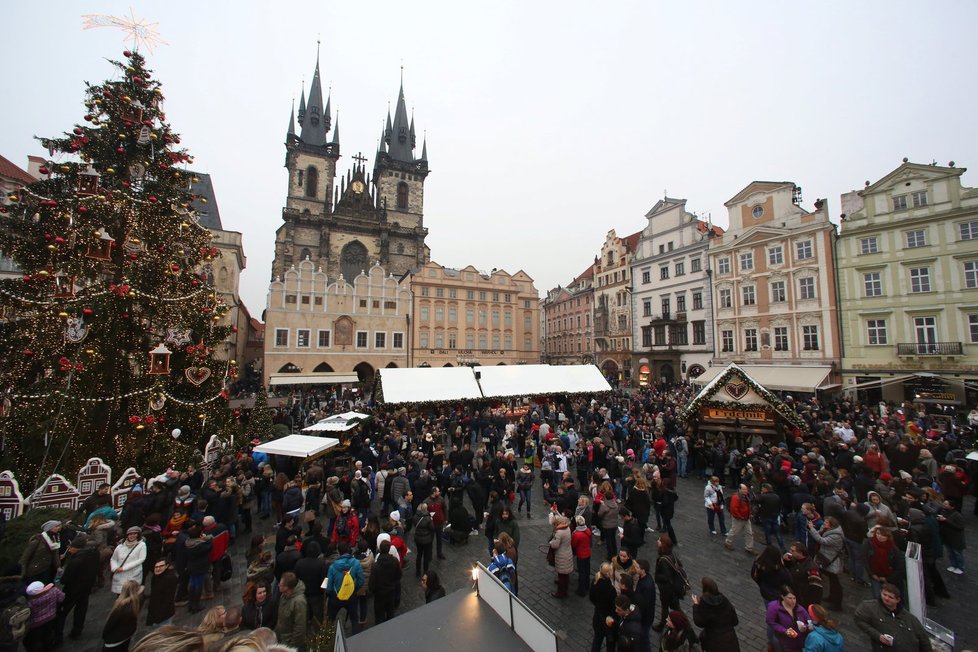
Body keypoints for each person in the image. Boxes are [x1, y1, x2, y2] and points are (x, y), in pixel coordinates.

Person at [854, 583, 931, 651]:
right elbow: (859, 619)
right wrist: (878, 636)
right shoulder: (870, 607)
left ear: (897, 600)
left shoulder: (911, 619)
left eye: (890, 597)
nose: (886, 598)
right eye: (884, 595)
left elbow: (924, 641)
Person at [57, 533, 98, 641]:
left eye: (71, 547)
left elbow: (65, 579)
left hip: (73, 589)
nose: (69, 549)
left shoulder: (75, 561)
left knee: (62, 612)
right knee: (81, 608)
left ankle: (58, 635)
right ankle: (77, 629)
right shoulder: (93, 553)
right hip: (87, 586)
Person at [325, 541, 365, 635]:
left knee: (330, 619)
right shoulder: (356, 563)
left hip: (336, 596)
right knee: (354, 619)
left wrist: (329, 593)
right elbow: (361, 580)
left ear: (339, 552)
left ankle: (327, 640)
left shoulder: (333, 566)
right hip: (351, 596)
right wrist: (354, 589)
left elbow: (328, 584)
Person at [691, 577, 739, 651]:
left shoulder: (704, 603)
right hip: (730, 640)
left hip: (714, 641)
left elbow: (699, 622)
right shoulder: (724, 600)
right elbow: (735, 621)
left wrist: (696, 605)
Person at [807, 516, 844, 611]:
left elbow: (821, 540)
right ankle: (831, 597)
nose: (824, 524)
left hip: (831, 559)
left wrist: (812, 529)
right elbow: (819, 534)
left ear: (831, 525)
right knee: (832, 580)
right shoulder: (827, 529)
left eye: (826, 522)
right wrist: (816, 529)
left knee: (835, 581)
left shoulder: (836, 535)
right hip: (825, 557)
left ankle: (836, 603)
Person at [653, 535, 685, 633]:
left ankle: (662, 625)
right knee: (676, 608)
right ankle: (687, 627)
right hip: (673, 589)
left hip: (667, 590)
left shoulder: (663, 559)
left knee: (666, 607)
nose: (657, 541)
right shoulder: (672, 554)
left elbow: (666, 577)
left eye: (659, 540)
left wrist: (657, 577)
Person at [101, 579, 143, 652]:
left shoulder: (121, 608)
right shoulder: (136, 603)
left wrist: (104, 635)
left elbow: (110, 624)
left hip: (114, 640)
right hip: (127, 635)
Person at [766, 585, 810, 652]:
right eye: (790, 598)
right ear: (782, 596)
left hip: (798, 643)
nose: (793, 601)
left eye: (794, 598)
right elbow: (770, 622)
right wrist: (784, 631)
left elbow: (809, 622)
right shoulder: (773, 607)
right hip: (782, 641)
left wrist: (805, 627)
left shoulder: (800, 609)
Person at [23, 581, 64, 652]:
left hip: (35, 624)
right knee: (48, 635)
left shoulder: (30, 603)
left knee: (36, 640)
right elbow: (61, 598)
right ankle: (48, 647)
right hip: (51, 617)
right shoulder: (54, 591)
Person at [369, 539, 402, 624]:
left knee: (379, 617)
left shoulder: (375, 566)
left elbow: (372, 584)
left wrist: (373, 591)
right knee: (390, 614)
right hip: (391, 592)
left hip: (379, 594)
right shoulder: (395, 561)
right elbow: (399, 576)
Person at [20, 521, 61, 585]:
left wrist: (58, 566)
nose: (59, 528)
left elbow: (55, 555)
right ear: (49, 528)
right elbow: (25, 557)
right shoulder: (37, 540)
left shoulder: (55, 540)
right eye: (56, 526)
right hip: (33, 570)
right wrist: (22, 572)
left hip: (46, 569)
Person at [110, 527, 148, 595]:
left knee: (131, 596)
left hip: (133, 574)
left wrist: (124, 568)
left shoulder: (142, 545)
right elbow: (113, 559)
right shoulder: (120, 546)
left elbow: (142, 559)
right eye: (130, 534)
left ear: (138, 535)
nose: (131, 536)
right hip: (119, 575)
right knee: (120, 596)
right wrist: (114, 568)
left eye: (134, 534)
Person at [589, 562, 617, 652]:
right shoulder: (611, 589)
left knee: (597, 639)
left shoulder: (595, 581)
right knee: (610, 642)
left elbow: (591, 597)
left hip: (598, 616)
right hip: (608, 619)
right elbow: (614, 605)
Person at [274, 571, 307, 648]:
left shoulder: (299, 602)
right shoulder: (283, 596)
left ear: (286, 587)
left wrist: (292, 646)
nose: (278, 585)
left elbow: (300, 627)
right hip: (281, 639)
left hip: (290, 643)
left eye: (281, 585)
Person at [145, 559, 178, 628]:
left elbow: (168, 599)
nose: (158, 568)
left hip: (163, 615)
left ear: (166, 566)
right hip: (156, 613)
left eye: (161, 566)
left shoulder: (170, 578)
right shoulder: (156, 576)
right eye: (156, 567)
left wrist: (158, 618)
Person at [549, 514, 574, 599]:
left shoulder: (559, 533)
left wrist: (551, 542)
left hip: (561, 555)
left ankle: (560, 593)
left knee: (561, 575)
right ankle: (565, 591)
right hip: (567, 552)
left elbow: (555, 545)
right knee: (565, 575)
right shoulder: (567, 528)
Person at [725, 484, 754, 553]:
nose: (746, 491)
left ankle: (749, 548)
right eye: (744, 489)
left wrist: (749, 514)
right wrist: (739, 516)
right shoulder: (736, 497)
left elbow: (749, 506)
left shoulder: (746, 496)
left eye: (746, 489)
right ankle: (728, 543)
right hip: (739, 518)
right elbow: (734, 509)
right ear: (739, 489)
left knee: (749, 533)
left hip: (746, 518)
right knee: (734, 531)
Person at [572, 515, 594, 596]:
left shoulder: (577, 534)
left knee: (581, 572)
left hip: (581, 554)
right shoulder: (587, 530)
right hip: (588, 553)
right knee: (587, 570)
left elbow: (573, 544)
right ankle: (587, 585)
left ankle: (581, 590)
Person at [412, 503, 435, 578]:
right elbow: (432, 528)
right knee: (426, 556)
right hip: (427, 540)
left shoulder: (415, 516)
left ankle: (417, 571)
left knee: (419, 555)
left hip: (418, 539)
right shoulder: (428, 518)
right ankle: (425, 571)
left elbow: (415, 524)